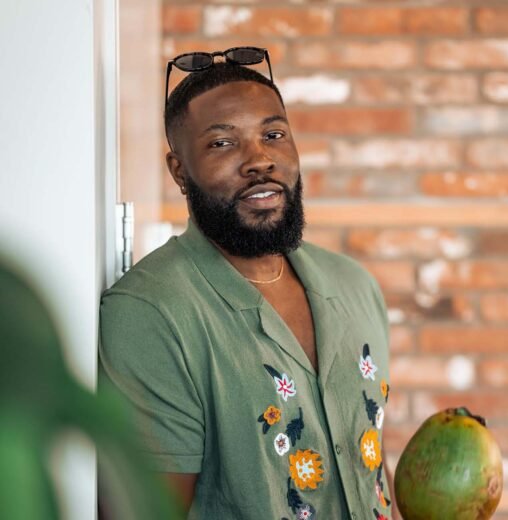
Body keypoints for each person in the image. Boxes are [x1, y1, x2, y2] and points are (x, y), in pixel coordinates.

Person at [100, 52, 397, 520]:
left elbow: (368, 463)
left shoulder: (355, 286)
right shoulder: (150, 313)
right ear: (180, 171)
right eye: (222, 143)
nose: (260, 160)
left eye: (274, 135)